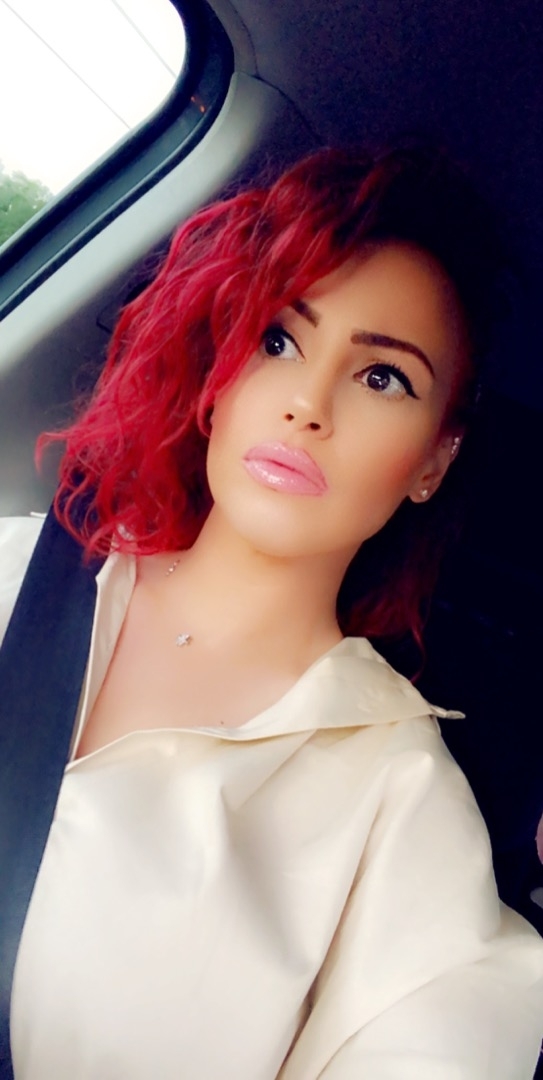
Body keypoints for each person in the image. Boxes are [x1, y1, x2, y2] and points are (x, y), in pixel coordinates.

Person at [1, 145, 542, 1079]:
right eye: (278, 340)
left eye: (382, 378)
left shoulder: (400, 807)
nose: (306, 404)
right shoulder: (17, 568)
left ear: (433, 460)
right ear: (220, 373)